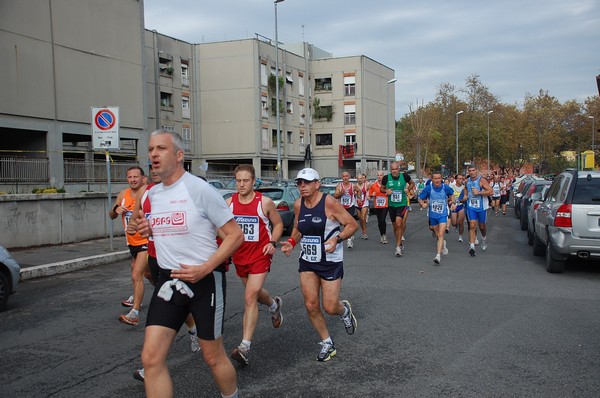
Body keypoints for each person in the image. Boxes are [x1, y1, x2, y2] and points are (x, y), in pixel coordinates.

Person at [135, 130, 243, 398]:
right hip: (168, 282)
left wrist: (205, 268)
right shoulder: (151, 195)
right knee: (150, 358)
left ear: (179, 155)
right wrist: (147, 227)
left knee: (212, 356)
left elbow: (235, 235)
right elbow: (160, 225)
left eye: (161, 148)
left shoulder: (199, 189)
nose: (153, 155)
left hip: (205, 282)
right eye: (150, 149)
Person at [126, 167, 202, 382]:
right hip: (154, 258)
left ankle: (149, 364)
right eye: (153, 169)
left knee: (163, 312)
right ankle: (195, 329)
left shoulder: (178, 193)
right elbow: (134, 222)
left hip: (175, 260)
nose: (156, 172)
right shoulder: (147, 194)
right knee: (175, 303)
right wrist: (135, 226)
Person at [281, 168, 358, 362]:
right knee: (311, 304)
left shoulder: (329, 203)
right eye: (299, 183)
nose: (302, 186)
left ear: (317, 184)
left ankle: (344, 310)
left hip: (330, 260)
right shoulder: (298, 204)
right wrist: (291, 242)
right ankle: (327, 342)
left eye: (306, 182)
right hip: (308, 260)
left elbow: (351, 225)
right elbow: (299, 227)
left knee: (330, 307)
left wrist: (337, 239)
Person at [226, 164, 284, 366]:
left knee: (250, 296)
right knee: (256, 294)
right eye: (238, 181)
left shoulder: (264, 202)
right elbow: (222, 229)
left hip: (261, 254)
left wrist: (272, 242)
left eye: (245, 181)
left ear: (253, 182)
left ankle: (244, 347)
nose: (241, 185)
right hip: (240, 257)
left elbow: (278, 224)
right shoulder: (229, 203)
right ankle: (274, 305)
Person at [108, 166, 148, 326]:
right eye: (130, 177)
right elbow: (111, 216)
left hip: (146, 241)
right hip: (131, 242)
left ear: (142, 178)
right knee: (149, 275)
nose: (132, 180)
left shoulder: (146, 195)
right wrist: (116, 209)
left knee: (136, 274)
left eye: (135, 177)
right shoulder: (123, 195)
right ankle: (168, 294)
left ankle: (135, 312)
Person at [418, 172, 454, 264]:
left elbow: (452, 194)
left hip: (443, 214)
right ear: (432, 179)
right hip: (432, 215)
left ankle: (438, 256)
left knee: (441, 233)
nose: (437, 180)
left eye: (439, 178)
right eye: (435, 178)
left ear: (441, 179)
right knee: (437, 234)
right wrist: (423, 204)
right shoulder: (428, 188)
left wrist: (453, 203)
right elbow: (420, 197)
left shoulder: (445, 187)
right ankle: (443, 243)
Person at [381, 162, 415, 256]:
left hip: (402, 204)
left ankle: (397, 247)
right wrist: (386, 191)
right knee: (395, 226)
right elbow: (381, 189)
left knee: (399, 222)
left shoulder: (404, 176)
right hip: (391, 205)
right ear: (390, 170)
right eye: (392, 169)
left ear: (398, 169)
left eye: (396, 169)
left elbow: (412, 183)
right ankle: (399, 243)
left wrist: (408, 189)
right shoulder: (386, 178)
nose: (394, 171)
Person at [465, 164, 493, 257]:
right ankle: (472, 247)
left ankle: (484, 239)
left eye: (473, 170)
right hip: (471, 206)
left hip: (481, 207)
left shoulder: (481, 180)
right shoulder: (467, 181)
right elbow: (466, 190)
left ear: (476, 171)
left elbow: (490, 191)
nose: (472, 172)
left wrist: (479, 192)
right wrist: (465, 196)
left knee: (482, 227)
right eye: (470, 171)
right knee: (472, 225)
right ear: (468, 172)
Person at [333, 171, 361, 249]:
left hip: (351, 206)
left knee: (348, 223)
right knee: (344, 223)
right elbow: (335, 196)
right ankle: (348, 235)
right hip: (342, 207)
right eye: (344, 176)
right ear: (342, 177)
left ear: (349, 177)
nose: (345, 178)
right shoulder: (339, 186)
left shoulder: (353, 186)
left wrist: (359, 198)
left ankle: (349, 239)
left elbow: (359, 191)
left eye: (346, 176)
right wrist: (340, 194)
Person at [368, 170, 389, 244]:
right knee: (380, 221)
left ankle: (384, 235)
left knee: (383, 219)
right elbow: (369, 195)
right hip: (377, 205)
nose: (379, 177)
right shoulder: (374, 185)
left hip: (385, 205)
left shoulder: (387, 184)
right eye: (378, 175)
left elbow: (390, 191)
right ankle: (381, 235)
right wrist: (372, 195)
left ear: (383, 176)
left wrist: (388, 193)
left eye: (381, 175)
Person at [449, 173, 467, 242]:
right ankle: (456, 226)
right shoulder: (451, 187)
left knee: (460, 222)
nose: (461, 180)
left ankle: (460, 236)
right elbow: (449, 196)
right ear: (456, 179)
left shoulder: (464, 187)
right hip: (454, 206)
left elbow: (465, 197)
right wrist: (450, 200)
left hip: (461, 206)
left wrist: (463, 199)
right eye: (459, 179)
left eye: (462, 179)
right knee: (454, 223)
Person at [356, 173, 370, 240]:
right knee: (360, 219)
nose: (359, 180)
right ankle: (363, 230)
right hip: (356, 204)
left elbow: (371, 190)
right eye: (358, 179)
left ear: (363, 179)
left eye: (360, 178)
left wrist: (370, 195)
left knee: (363, 217)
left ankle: (364, 233)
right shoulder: (355, 186)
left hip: (364, 203)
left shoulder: (366, 185)